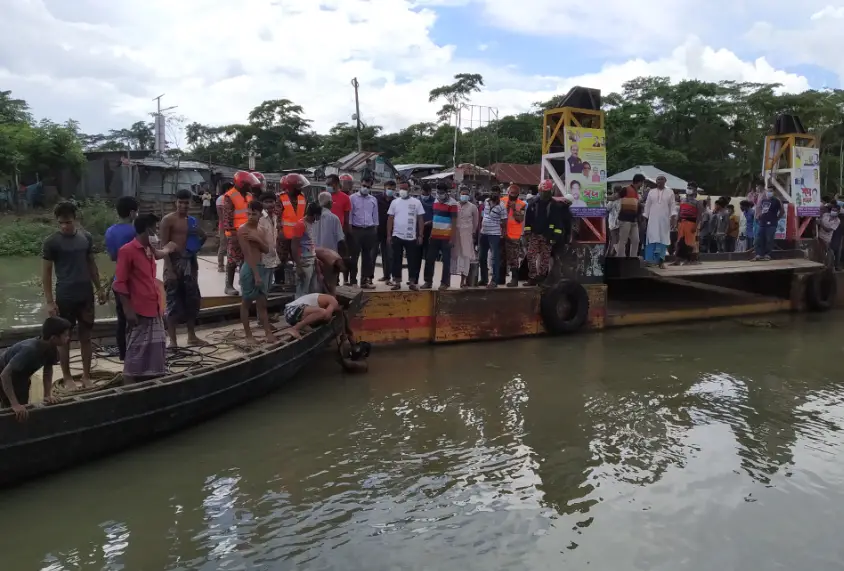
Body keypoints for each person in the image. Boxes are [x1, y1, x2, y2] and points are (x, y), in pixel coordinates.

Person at [42, 201, 103, 390]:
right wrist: (50, 302)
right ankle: (67, 378)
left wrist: (99, 288)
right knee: (64, 340)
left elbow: (91, 264)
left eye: (68, 222)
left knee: (86, 336)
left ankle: (86, 376)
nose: (65, 226)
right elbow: (46, 273)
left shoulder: (86, 238)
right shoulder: (51, 242)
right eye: (61, 223)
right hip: (64, 296)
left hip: (85, 294)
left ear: (75, 219)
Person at [114, 215, 179, 384]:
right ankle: (129, 387)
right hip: (139, 309)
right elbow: (120, 284)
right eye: (155, 228)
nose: (157, 231)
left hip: (154, 306)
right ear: (147, 229)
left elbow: (159, 254)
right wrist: (128, 310)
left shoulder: (148, 249)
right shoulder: (127, 251)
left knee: (156, 348)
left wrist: (168, 248)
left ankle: (152, 382)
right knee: (135, 351)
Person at [160, 189, 207, 348]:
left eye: (186, 202)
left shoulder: (192, 221)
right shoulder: (168, 220)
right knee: (173, 302)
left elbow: (203, 236)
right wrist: (169, 268)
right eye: (181, 202)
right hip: (173, 263)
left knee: (192, 300)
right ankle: (172, 340)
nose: (183, 205)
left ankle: (191, 336)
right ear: (176, 203)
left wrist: (195, 247)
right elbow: (163, 245)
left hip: (189, 264)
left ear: (191, 203)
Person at [0, 317, 71, 420]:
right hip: (4, 372)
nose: (68, 338)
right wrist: (14, 404)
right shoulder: (30, 350)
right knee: (10, 410)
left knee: (23, 410)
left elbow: (48, 371)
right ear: (53, 338)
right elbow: (4, 375)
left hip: (21, 377)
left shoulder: (52, 349)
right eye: (65, 335)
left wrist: (47, 395)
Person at [105, 196, 140, 362]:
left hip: (118, 279)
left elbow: (113, 257)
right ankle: (138, 352)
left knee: (121, 319)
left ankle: (123, 355)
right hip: (135, 280)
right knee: (138, 317)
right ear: (133, 213)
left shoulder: (110, 231)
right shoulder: (135, 231)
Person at [238, 201, 277, 345]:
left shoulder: (260, 230)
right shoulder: (243, 230)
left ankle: (268, 332)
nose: (251, 216)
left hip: (261, 266)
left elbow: (267, 250)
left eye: (254, 214)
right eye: (249, 213)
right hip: (250, 268)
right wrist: (256, 275)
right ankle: (248, 335)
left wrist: (257, 240)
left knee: (262, 303)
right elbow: (247, 254)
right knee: (246, 302)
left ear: (260, 214)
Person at [524, 179, 571, 284]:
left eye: (546, 192)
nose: (544, 194)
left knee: (545, 259)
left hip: (547, 236)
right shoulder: (533, 204)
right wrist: (527, 233)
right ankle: (532, 277)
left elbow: (558, 224)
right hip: (535, 234)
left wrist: (554, 237)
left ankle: (541, 277)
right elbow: (528, 220)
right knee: (531, 256)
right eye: (542, 191)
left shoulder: (555, 206)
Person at [223, 171, 260, 295]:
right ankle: (228, 286)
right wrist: (232, 234)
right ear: (241, 183)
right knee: (232, 260)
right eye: (247, 184)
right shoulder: (230, 196)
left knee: (247, 259)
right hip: (235, 234)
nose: (250, 186)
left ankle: (244, 283)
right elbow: (227, 217)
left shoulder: (249, 195)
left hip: (247, 233)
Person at [387, 186, 425, 290]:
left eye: (405, 188)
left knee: (412, 260)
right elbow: (390, 218)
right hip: (397, 235)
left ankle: (412, 282)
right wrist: (389, 235)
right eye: (401, 188)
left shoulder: (417, 202)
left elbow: (420, 219)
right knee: (396, 260)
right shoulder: (395, 202)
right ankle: (397, 282)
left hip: (411, 236)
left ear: (409, 190)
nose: (402, 191)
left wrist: (420, 235)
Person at [423, 182, 458, 290]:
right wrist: (431, 230)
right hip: (434, 236)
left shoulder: (453, 203)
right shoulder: (436, 200)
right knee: (429, 259)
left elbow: (454, 222)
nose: (439, 194)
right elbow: (436, 217)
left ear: (446, 192)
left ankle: (445, 283)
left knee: (446, 261)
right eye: (438, 192)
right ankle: (428, 281)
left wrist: (452, 238)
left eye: (441, 192)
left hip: (446, 237)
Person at [278, 174, 309, 286]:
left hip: (298, 236)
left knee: (298, 260)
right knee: (281, 260)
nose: (300, 189)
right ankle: (279, 282)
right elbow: (277, 217)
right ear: (291, 187)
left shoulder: (302, 197)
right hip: (284, 236)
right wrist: (279, 231)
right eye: (298, 187)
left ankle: (295, 282)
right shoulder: (280, 198)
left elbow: (305, 216)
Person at [348, 178, 379, 289]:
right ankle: (353, 281)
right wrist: (350, 229)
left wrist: (375, 228)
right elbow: (350, 215)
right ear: (360, 185)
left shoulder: (373, 199)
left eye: (368, 187)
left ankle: (364, 281)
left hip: (369, 230)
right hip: (356, 230)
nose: (365, 188)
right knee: (354, 257)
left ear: (371, 187)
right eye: (364, 185)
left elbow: (375, 216)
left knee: (367, 257)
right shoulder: (352, 198)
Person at [642, 175, 676, 268]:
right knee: (652, 238)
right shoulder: (651, 192)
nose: (659, 181)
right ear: (656, 182)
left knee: (663, 239)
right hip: (652, 220)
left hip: (664, 221)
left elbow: (672, 207)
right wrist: (645, 219)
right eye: (657, 180)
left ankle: (661, 261)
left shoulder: (670, 192)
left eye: (661, 179)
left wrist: (673, 220)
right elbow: (647, 206)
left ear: (665, 181)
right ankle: (649, 260)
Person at [478, 185, 508, 288]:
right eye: (493, 191)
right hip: (483, 233)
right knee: (481, 257)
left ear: (499, 194)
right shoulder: (486, 201)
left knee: (495, 258)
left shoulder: (502, 206)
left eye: (496, 192)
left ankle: (494, 281)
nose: (494, 193)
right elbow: (483, 216)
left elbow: (504, 222)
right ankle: (484, 279)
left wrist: (503, 235)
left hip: (494, 235)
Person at [498, 183, 527, 287]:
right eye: (511, 193)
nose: (512, 195)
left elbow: (520, 219)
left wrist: (514, 209)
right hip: (501, 233)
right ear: (508, 192)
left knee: (513, 258)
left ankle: (514, 280)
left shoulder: (521, 204)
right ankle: (500, 279)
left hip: (513, 235)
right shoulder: (502, 201)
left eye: (515, 193)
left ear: (518, 194)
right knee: (501, 256)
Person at [292, 202, 322, 298]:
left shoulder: (311, 225)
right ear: (315, 215)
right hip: (303, 261)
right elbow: (294, 246)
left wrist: (316, 265)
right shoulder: (301, 225)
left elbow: (311, 245)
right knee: (302, 292)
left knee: (313, 291)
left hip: (311, 260)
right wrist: (299, 266)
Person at [451, 186, 479, 288]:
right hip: (455, 236)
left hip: (467, 236)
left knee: (465, 258)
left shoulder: (473, 207)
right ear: (459, 194)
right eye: (463, 194)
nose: (464, 196)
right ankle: (447, 281)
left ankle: (463, 281)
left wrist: (473, 234)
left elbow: (476, 223)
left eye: (466, 194)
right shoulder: (455, 205)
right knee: (454, 257)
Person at [615, 175, 643, 258]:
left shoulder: (636, 192)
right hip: (625, 219)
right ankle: (621, 257)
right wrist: (605, 197)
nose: (642, 185)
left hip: (633, 220)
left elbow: (637, 205)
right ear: (639, 182)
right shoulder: (626, 189)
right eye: (642, 183)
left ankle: (633, 258)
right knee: (623, 240)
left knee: (636, 240)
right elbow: (615, 197)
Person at [754, 187, 784, 261]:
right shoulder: (763, 200)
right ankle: (759, 254)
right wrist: (758, 216)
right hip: (762, 223)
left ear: (774, 192)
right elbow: (759, 209)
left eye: (771, 191)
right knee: (759, 239)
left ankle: (768, 254)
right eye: (768, 191)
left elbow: (782, 211)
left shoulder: (777, 201)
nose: (768, 192)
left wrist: (777, 218)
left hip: (771, 224)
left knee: (769, 239)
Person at [673, 186, 701, 265]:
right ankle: (677, 260)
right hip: (682, 223)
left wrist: (695, 226)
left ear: (694, 191)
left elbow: (699, 216)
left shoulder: (697, 202)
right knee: (679, 242)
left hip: (691, 224)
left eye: (691, 188)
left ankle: (688, 260)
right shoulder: (682, 200)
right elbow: (680, 212)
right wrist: (677, 222)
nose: (689, 190)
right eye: (688, 188)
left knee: (689, 243)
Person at [259, 192, 281, 285]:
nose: (269, 204)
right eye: (266, 202)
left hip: (272, 257)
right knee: (262, 287)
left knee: (268, 287)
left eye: (271, 201)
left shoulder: (276, 217)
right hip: (262, 258)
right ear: (262, 204)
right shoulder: (260, 218)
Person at [376, 181, 396, 283]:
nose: (390, 191)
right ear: (384, 187)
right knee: (372, 255)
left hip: (389, 232)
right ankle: (368, 278)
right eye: (389, 188)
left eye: (393, 189)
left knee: (388, 255)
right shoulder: (376, 198)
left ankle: (387, 276)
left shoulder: (395, 201)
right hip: (376, 230)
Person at [216, 182, 232, 272]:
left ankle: (225, 265)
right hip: (224, 225)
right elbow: (222, 215)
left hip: (225, 225)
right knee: (224, 246)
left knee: (227, 246)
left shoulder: (223, 199)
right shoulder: (222, 199)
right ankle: (221, 265)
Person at [419, 183, 436, 262]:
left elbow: (436, 215)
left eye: (426, 193)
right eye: (423, 193)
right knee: (417, 251)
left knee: (428, 253)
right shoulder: (417, 200)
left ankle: (427, 272)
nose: (424, 195)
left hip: (429, 229)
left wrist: (430, 222)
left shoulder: (434, 201)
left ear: (430, 192)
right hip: (418, 229)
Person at [606, 185, 622, 256]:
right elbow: (607, 208)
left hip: (616, 223)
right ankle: (613, 253)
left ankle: (613, 254)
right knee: (616, 240)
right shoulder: (618, 200)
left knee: (615, 239)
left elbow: (607, 209)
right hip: (616, 223)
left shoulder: (617, 200)